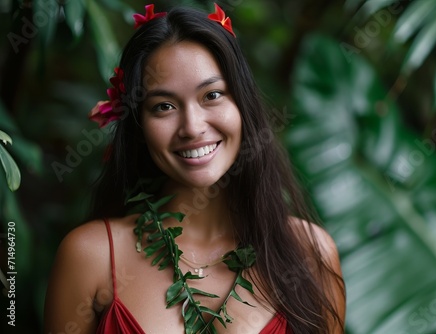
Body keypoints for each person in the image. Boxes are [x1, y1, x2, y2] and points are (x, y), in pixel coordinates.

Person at [44, 3, 345, 334]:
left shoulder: (309, 254)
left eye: (212, 95)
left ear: (242, 105)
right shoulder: (91, 257)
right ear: (139, 125)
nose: (192, 126)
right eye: (164, 106)